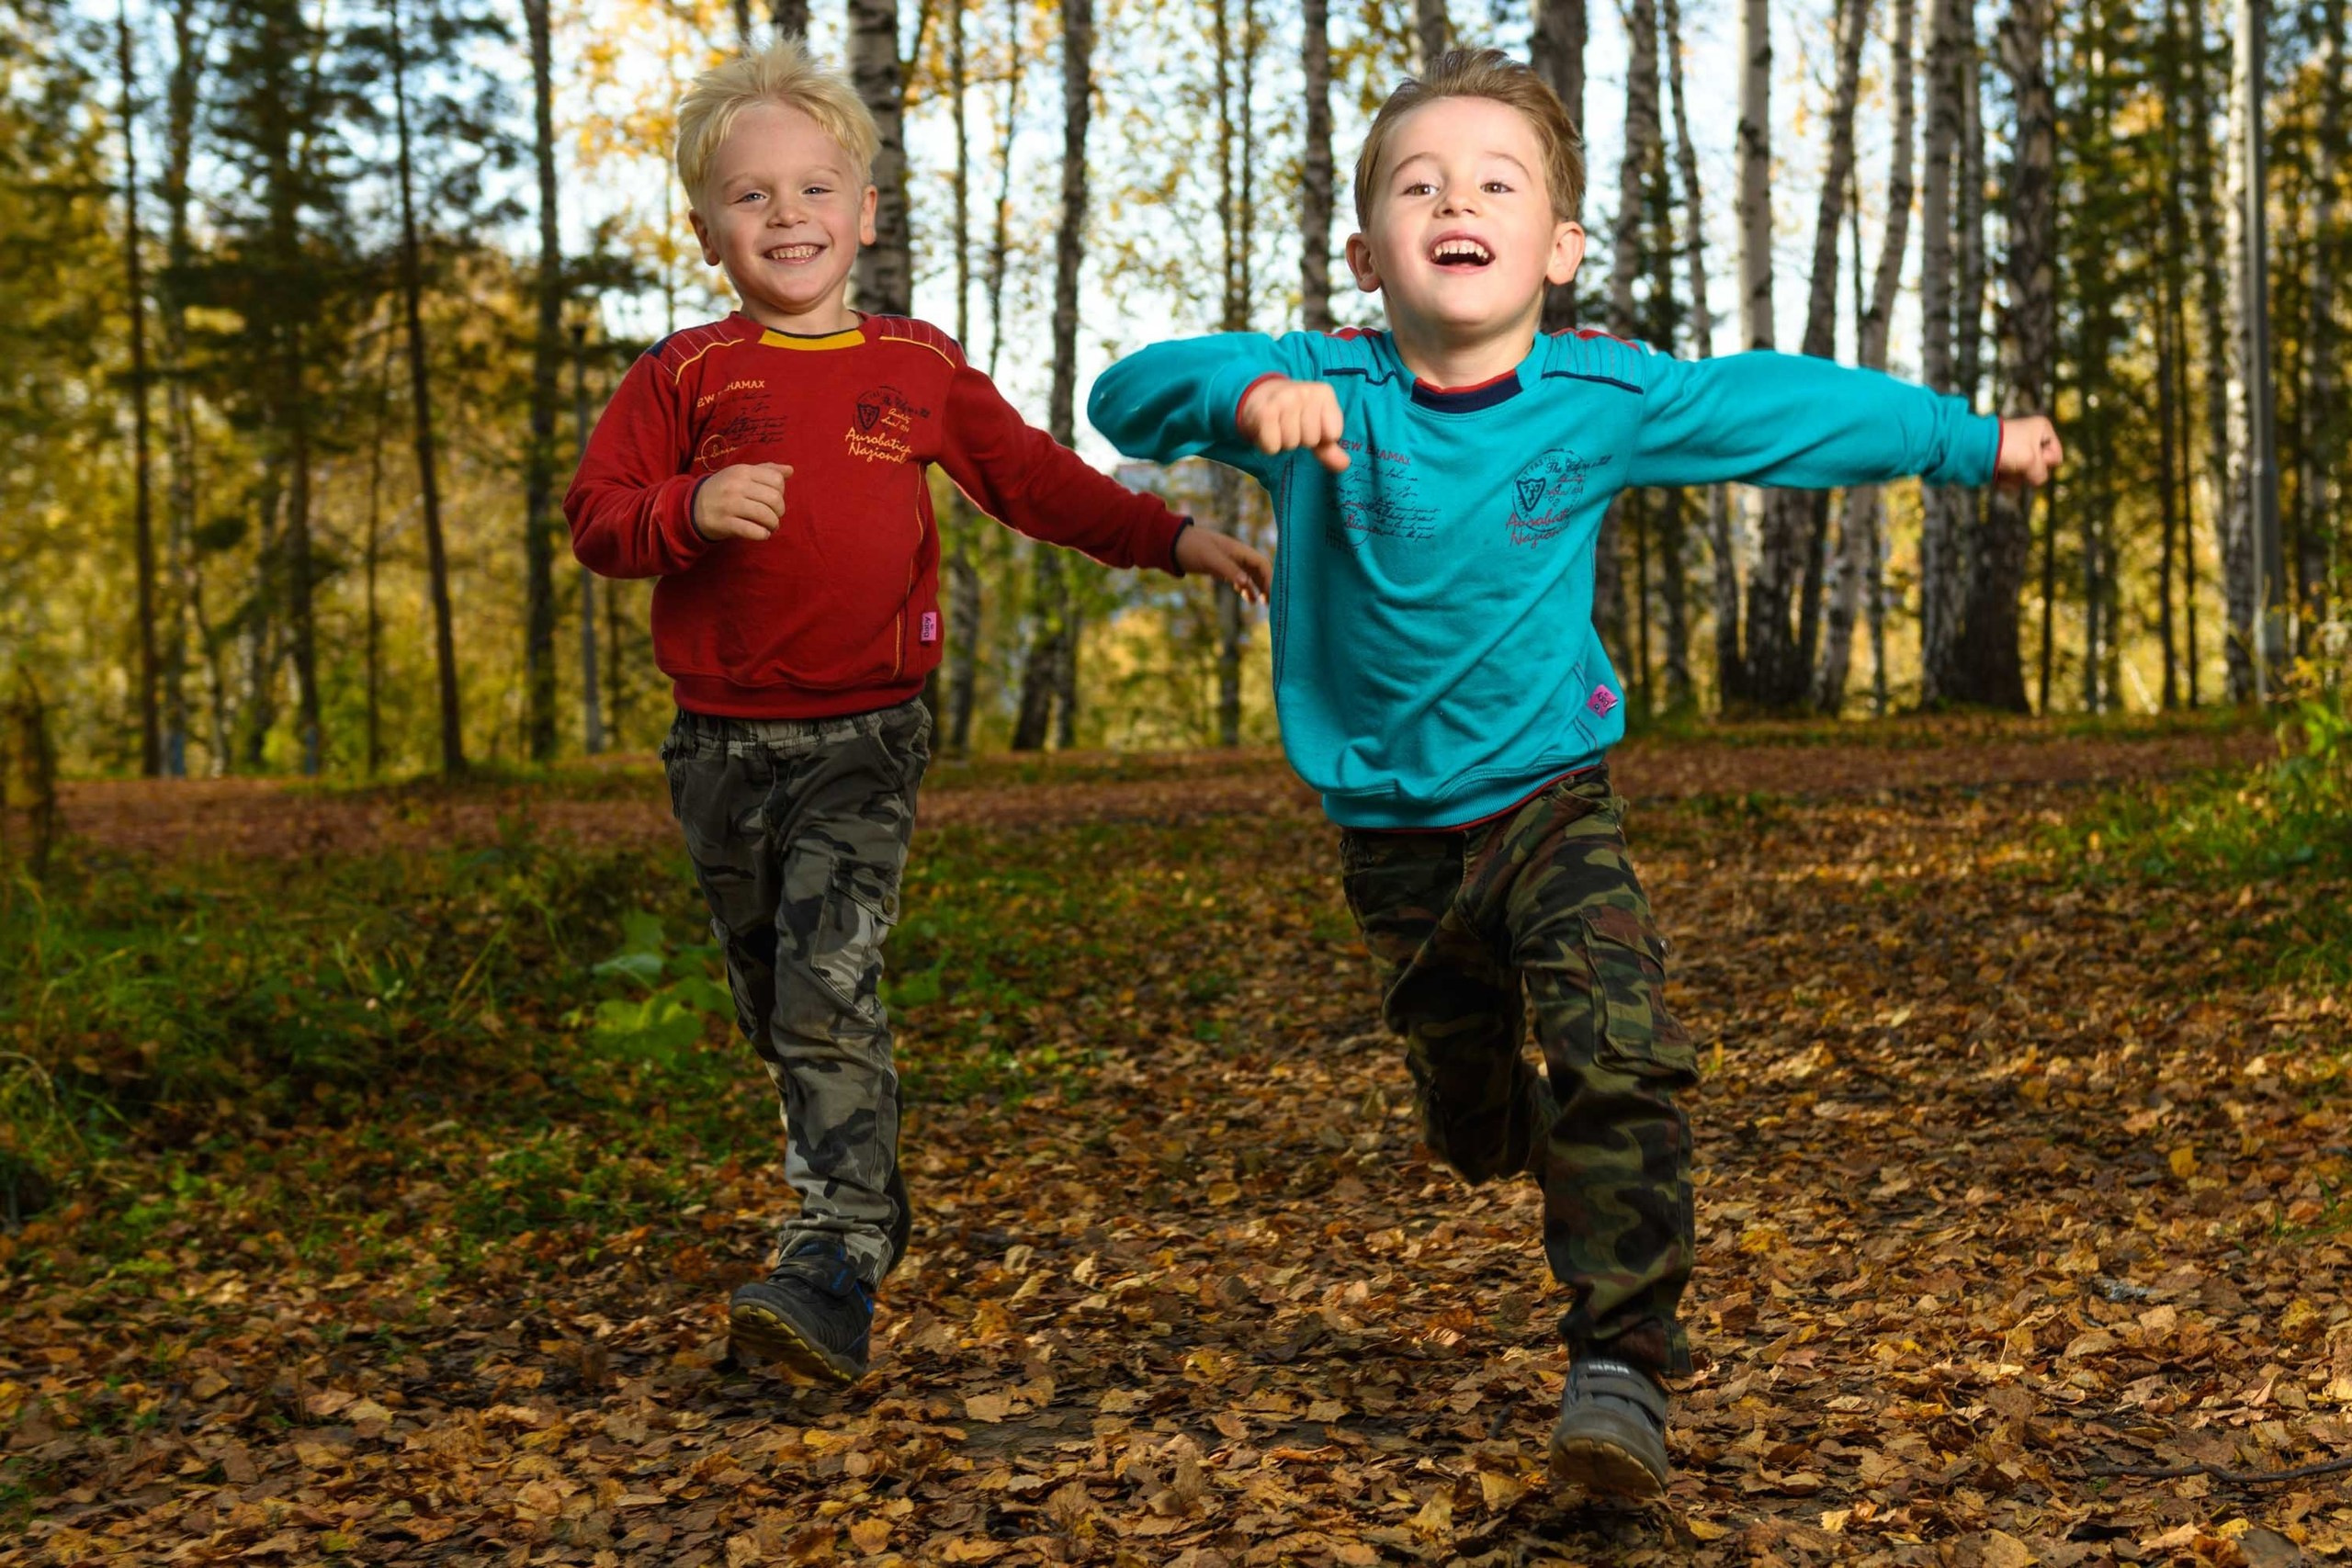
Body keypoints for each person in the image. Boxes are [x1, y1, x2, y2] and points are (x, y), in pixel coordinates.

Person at [1089, 48, 2061, 1498]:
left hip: (1551, 793)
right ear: (1367, 253)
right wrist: (1239, 402)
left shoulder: (1601, 393)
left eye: (1495, 183)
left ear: (1560, 245)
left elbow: (1777, 411)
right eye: (1420, 186)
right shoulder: (1319, 378)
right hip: (1393, 833)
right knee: (1475, 1126)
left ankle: (1620, 1366)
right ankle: (1501, 1119)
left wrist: (1966, 443)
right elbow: (1129, 392)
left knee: (1621, 1048)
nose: (1456, 202)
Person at [566, 40, 1270, 1388]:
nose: (787, 217)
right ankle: (858, 1185)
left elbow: (1041, 484)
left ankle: (834, 1253)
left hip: (864, 739)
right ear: (706, 226)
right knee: (777, 1000)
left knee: (830, 991)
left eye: (814, 188)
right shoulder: (682, 378)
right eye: (752, 196)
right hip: (717, 749)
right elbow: (597, 519)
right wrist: (685, 511)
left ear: (866, 213)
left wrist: (1177, 539)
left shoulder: (915, 368)